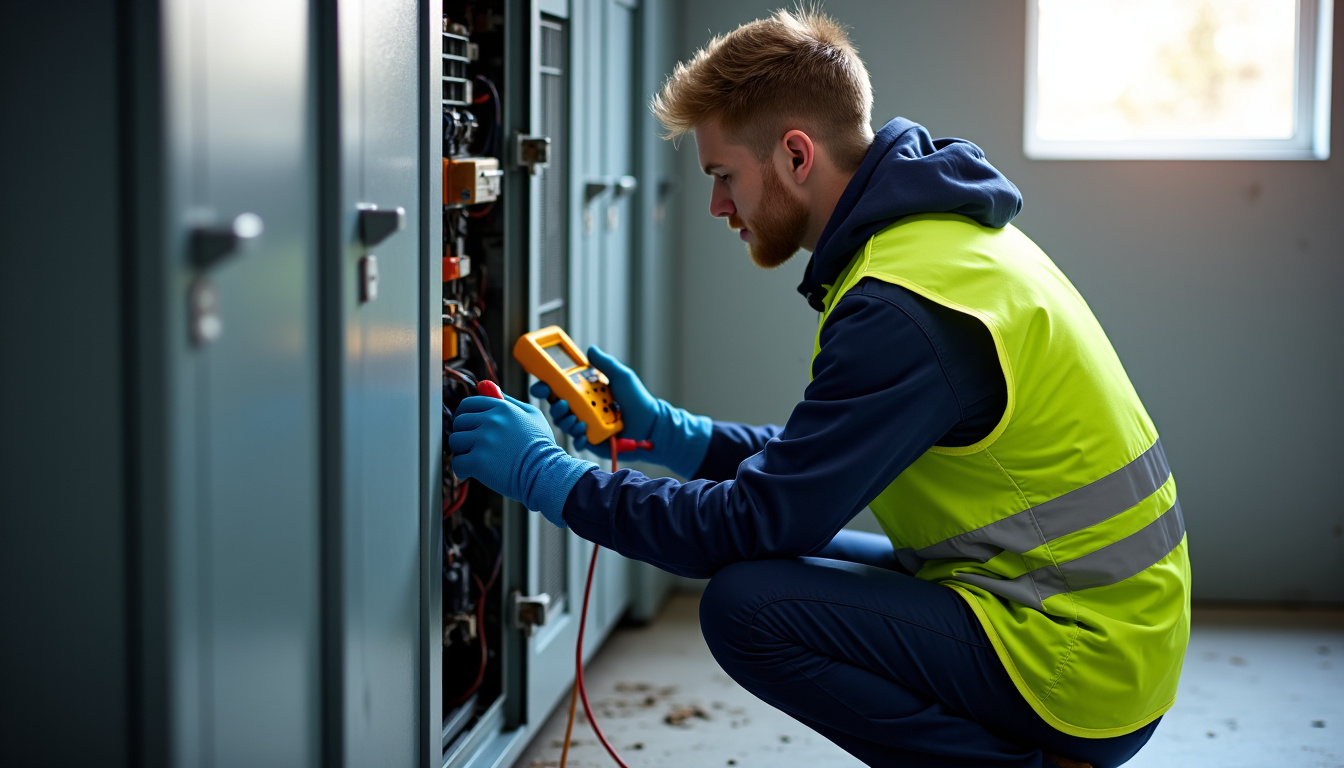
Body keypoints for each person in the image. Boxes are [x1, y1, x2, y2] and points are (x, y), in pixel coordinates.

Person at [448, 9, 1190, 768]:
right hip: (1094, 625)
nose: (718, 207)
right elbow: (815, 464)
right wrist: (676, 435)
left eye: (723, 175)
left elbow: (758, 523)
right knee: (792, 563)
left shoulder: (903, 307)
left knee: (749, 607)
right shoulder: (942, 246)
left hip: (1076, 664)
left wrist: (549, 479)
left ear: (796, 155)